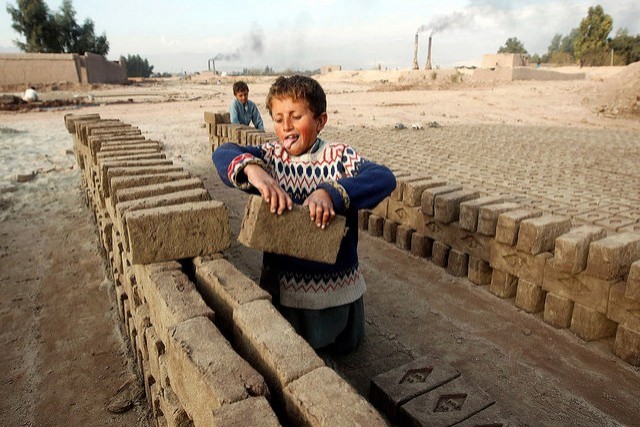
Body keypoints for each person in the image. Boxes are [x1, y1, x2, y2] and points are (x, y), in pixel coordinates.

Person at [213, 75, 396, 354]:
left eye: (296, 116)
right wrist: (254, 171)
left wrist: (330, 193)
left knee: (343, 354)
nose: (286, 126)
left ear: (320, 121)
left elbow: (383, 177)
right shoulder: (271, 157)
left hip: (336, 286)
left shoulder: (337, 156)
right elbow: (224, 152)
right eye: (277, 118)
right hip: (286, 289)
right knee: (292, 352)